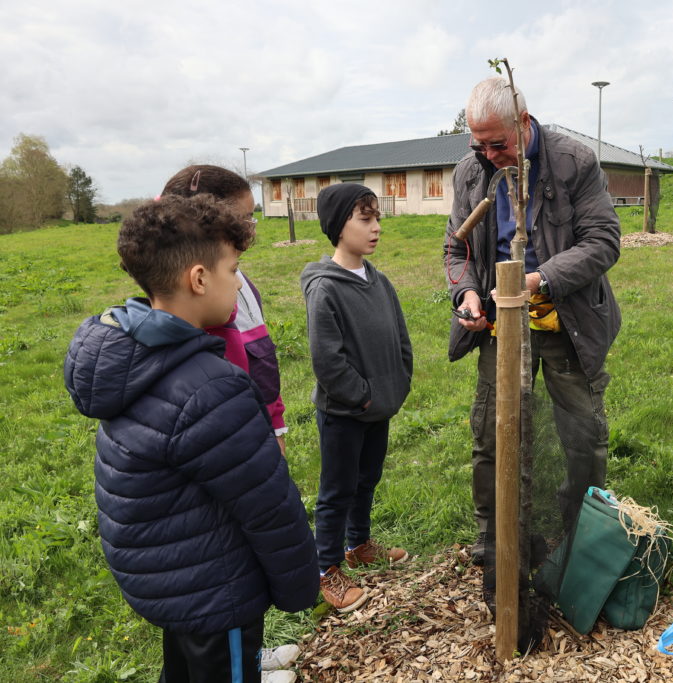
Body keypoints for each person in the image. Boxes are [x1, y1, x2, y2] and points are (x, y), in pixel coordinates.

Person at [64, 195, 319, 683]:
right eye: (233, 269)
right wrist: (300, 586)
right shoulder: (210, 386)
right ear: (199, 279)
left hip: (170, 578)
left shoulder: (132, 357)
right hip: (216, 589)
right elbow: (266, 504)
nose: (240, 281)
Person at [444, 77, 621, 562]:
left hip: (567, 321)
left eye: (497, 143)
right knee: (492, 433)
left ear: (523, 124)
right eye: (477, 144)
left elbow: (603, 240)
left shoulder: (573, 162)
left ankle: (578, 533)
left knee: (582, 435)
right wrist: (468, 295)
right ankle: (496, 536)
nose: (487, 154)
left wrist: (539, 280)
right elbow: (455, 247)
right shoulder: (470, 172)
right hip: (499, 326)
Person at [301, 183, 413, 610]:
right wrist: (362, 398)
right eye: (365, 219)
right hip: (344, 413)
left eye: (377, 218)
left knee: (367, 479)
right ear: (337, 226)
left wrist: (398, 381)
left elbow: (400, 335)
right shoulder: (325, 288)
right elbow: (326, 360)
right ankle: (325, 568)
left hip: (379, 405)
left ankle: (359, 543)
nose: (376, 228)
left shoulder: (378, 280)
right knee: (337, 489)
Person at [161, 165, 289, 457]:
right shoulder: (197, 301)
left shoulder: (237, 280)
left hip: (259, 425)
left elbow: (262, 359)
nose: (250, 229)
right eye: (243, 219)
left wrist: (275, 423)